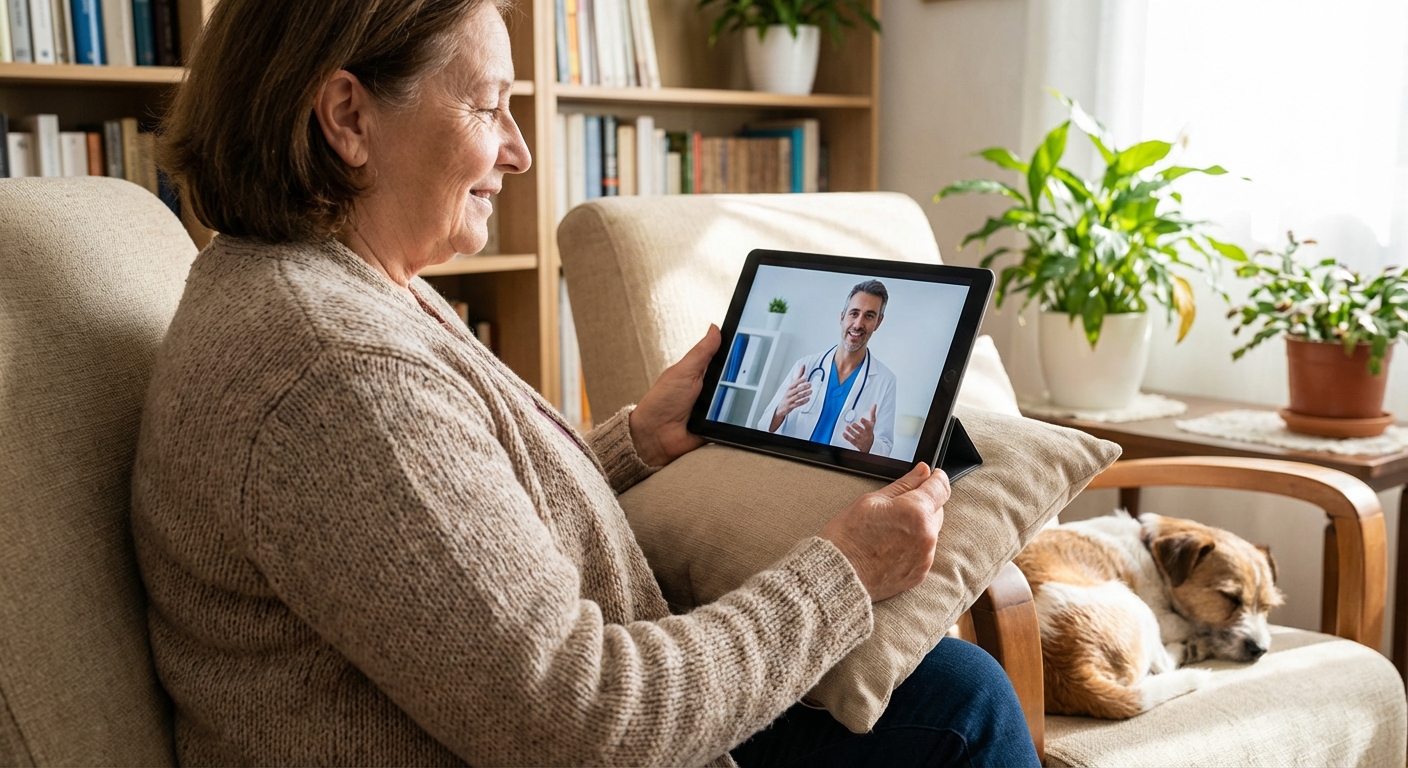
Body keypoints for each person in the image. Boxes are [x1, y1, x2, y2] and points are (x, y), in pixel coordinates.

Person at [132, 0, 1040, 765]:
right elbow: (584, 720)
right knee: (963, 707)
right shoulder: (338, 372)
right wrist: (843, 574)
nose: (519, 151)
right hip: (589, 731)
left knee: (952, 686)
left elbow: (442, 535)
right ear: (349, 117)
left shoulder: (332, 288)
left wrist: (634, 443)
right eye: (490, 107)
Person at [758, 281, 898, 456]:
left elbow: (885, 448)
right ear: (842, 316)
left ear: (878, 322)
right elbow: (762, 427)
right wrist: (780, 411)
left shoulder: (885, 381)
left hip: (835, 470)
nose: (858, 324)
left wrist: (870, 445)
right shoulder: (805, 366)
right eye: (854, 313)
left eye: (869, 316)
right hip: (791, 462)